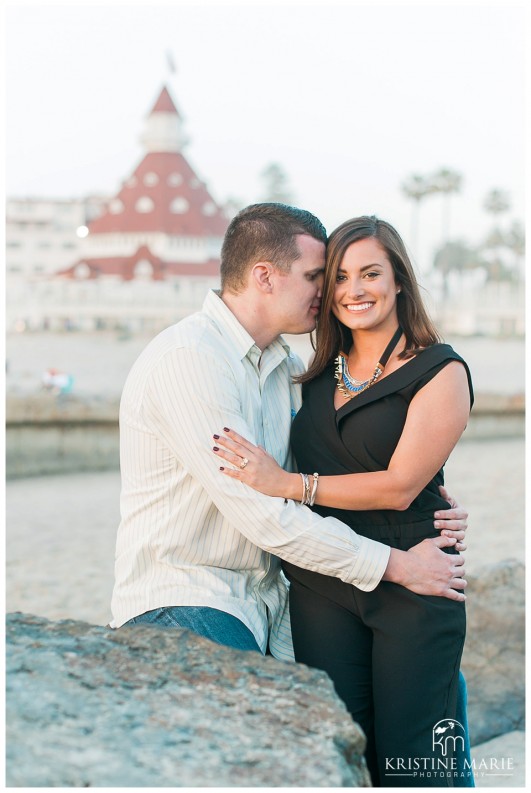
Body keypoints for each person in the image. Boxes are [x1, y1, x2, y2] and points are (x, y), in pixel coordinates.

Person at [111, 203, 469, 774]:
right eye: (319, 277)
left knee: (424, 734)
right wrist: (397, 564)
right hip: (189, 597)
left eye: (359, 274)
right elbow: (265, 514)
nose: (330, 293)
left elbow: (335, 466)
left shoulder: (281, 366)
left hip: (267, 602)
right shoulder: (191, 360)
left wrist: (426, 496)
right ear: (264, 276)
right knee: (288, 757)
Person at [212, 214, 474, 787]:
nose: (355, 290)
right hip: (324, 581)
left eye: (370, 274)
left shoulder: (440, 370)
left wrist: (289, 484)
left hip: (415, 576)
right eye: (339, 277)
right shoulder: (308, 376)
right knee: (342, 755)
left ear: (399, 280)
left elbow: (401, 485)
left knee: (413, 761)